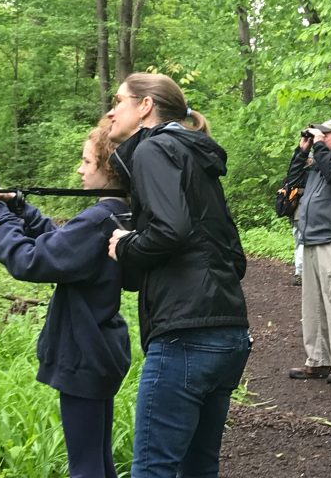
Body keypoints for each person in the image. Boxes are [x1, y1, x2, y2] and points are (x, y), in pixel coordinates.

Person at [105, 72, 251, 478]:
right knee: (199, 468)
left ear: (145, 106)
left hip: (185, 336)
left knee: (153, 469)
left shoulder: (153, 151)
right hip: (229, 333)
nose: (111, 111)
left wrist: (126, 245)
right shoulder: (196, 154)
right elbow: (234, 257)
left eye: (118, 101)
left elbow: (171, 229)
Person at [0, 120, 131, 478]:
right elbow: (64, 248)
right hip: (101, 347)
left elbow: (30, 261)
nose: (79, 169)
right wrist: (21, 210)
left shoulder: (98, 219)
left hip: (84, 351)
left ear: (108, 169)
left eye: (86, 162)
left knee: (86, 466)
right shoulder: (117, 212)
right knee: (99, 459)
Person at [286, 119, 331, 385]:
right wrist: (301, 151)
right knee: (312, 303)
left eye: (325, 134)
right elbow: (292, 182)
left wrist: (318, 148)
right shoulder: (318, 162)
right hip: (311, 240)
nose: (320, 137)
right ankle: (317, 360)